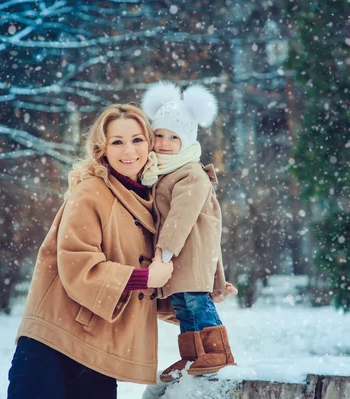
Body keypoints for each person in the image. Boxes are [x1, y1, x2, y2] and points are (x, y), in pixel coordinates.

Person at [7, 104, 177, 399]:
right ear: (103, 149)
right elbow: (78, 264)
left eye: (137, 140)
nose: (129, 150)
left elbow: (152, 288)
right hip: (53, 343)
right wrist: (144, 278)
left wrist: (200, 291)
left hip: (99, 352)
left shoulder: (153, 203)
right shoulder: (90, 192)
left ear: (150, 144)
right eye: (117, 141)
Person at [141, 81, 237, 383]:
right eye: (159, 135)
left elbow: (180, 217)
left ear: (188, 139)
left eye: (173, 137)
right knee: (183, 307)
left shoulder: (191, 172)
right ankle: (192, 355)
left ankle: (217, 351)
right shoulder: (163, 172)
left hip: (188, 253)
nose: (165, 143)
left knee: (196, 301)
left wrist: (164, 252)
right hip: (176, 257)